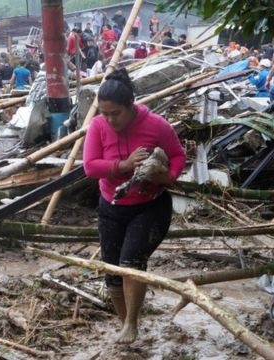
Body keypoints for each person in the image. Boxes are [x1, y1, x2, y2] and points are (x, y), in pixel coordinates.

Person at [83, 68, 186, 345]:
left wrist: (168, 176)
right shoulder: (97, 126)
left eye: (115, 113)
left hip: (150, 205)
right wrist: (124, 165)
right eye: (104, 113)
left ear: (130, 107)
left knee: (131, 263)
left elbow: (177, 155)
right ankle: (123, 322)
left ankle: (132, 322)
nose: (109, 119)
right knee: (113, 273)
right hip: (111, 206)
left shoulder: (156, 125)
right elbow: (91, 166)